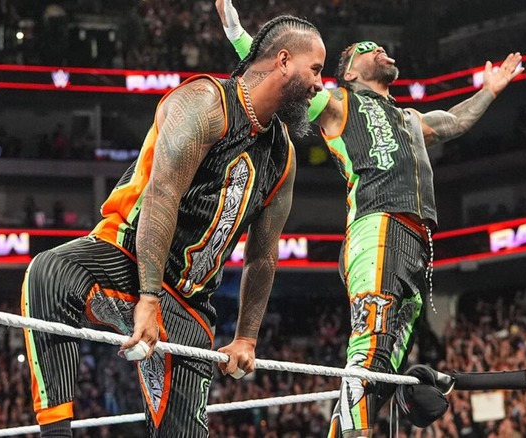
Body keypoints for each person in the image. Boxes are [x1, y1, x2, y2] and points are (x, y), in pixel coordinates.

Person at [216, 1, 523, 435]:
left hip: (415, 239)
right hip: (376, 227)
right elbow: (279, 73)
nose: (380, 49)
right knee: (371, 346)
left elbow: (454, 121)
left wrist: (489, 91)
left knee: (386, 364)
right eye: (368, 48)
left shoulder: (409, 118)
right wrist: (236, 34)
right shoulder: (337, 102)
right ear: (350, 72)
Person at [20, 14, 325, 437]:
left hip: (190, 303)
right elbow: (162, 195)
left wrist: (247, 337)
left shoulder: (283, 156)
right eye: (316, 69)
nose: (319, 85)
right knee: (50, 273)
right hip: (128, 257)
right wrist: (148, 297)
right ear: (284, 60)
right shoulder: (206, 103)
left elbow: (262, 254)